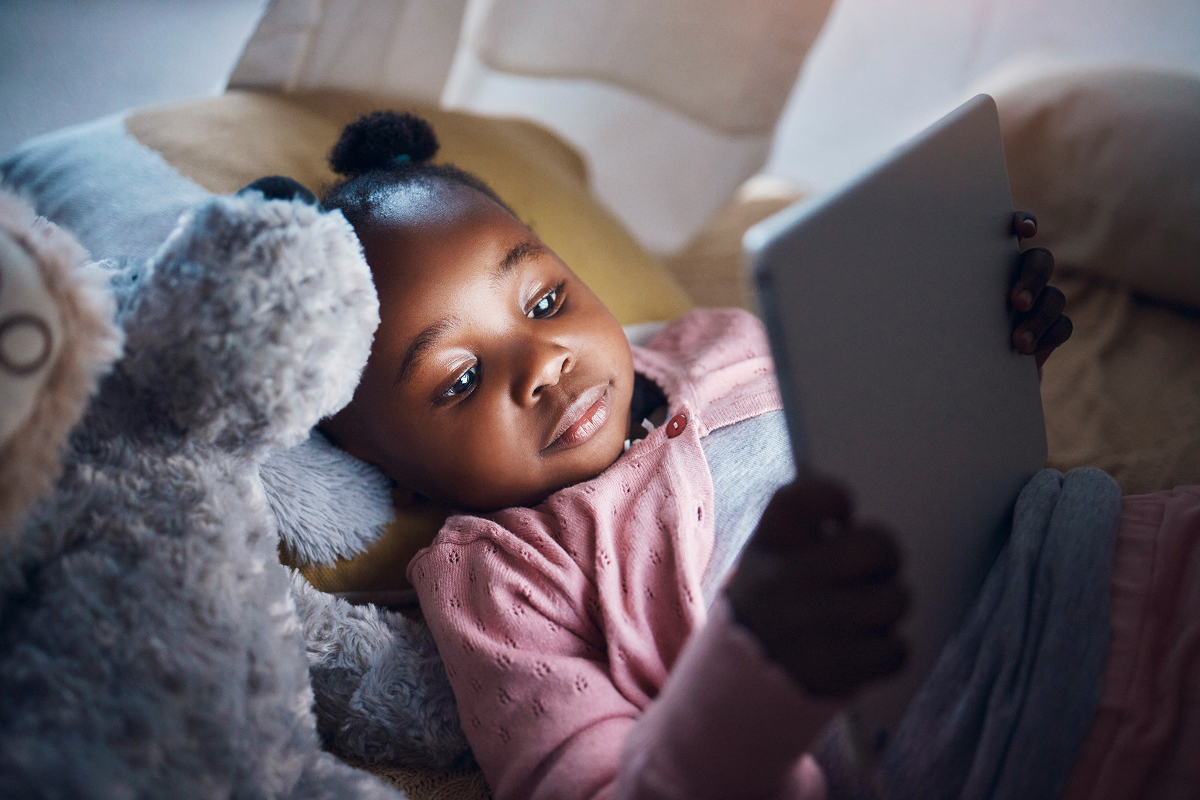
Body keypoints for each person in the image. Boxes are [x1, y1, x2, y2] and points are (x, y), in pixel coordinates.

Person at [317, 110, 1073, 800]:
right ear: (384, 468)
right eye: (462, 378)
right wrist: (752, 671)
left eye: (545, 302)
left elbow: (915, 467)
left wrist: (988, 367)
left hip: (1099, 546)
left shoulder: (725, 341)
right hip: (1015, 743)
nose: (544, 361)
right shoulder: (501, 577)